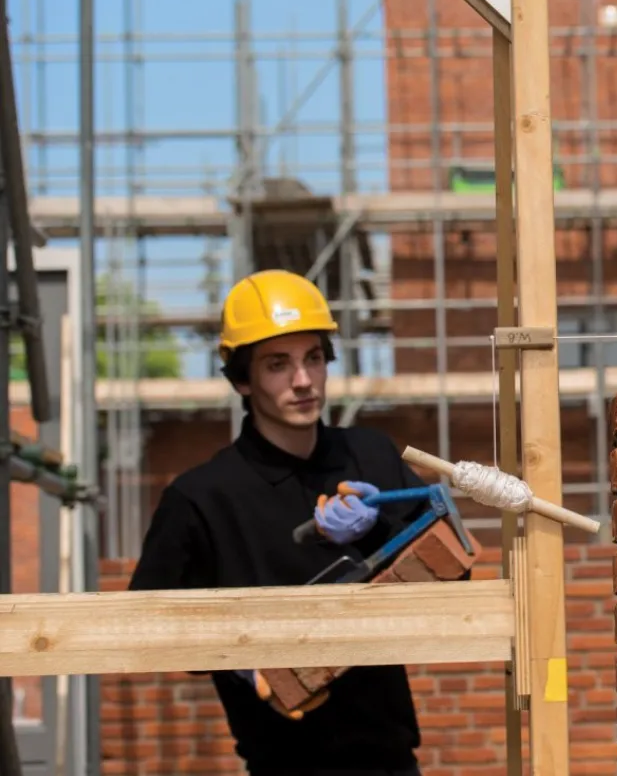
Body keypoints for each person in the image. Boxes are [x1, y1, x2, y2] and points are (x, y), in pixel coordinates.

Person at [128, 269, 432, 776]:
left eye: (313, 358)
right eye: (278, 364)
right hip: (281, 763)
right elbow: (144, 624)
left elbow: (454, 575)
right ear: (242, 378)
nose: (303, 380)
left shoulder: (372, 457)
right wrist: (240, 660)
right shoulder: (201, 497)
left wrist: (379, 531)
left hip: (392, 761)